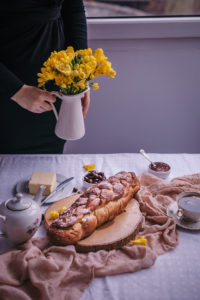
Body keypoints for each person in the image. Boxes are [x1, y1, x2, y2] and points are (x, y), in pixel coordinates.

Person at [0, 0, 90, 154]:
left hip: (53, 95)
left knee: (47, 171)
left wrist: (79, 73)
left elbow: (73, 9)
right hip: (5, 95)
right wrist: (16, 90)